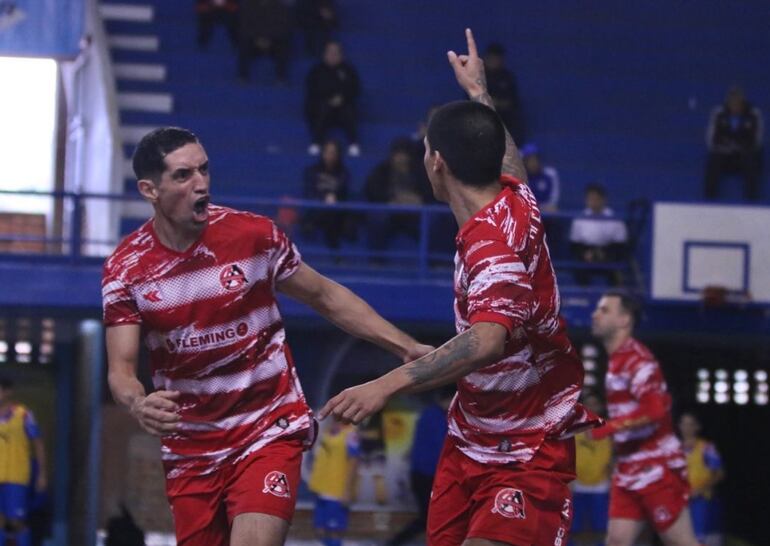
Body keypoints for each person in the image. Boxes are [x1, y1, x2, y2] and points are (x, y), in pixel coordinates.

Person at [320, 29, 599, 546]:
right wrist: (480, 95)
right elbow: (510, 161)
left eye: (427, 147)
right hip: (471, 439)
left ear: (436, 164)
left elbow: (488, 338)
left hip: (523, 450)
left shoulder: (490, 247)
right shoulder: (517, 203)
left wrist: (385, 384)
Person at [101, 127, 432, 546]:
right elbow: (121, 369)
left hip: (267, 428)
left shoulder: (254, 236)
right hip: (192, 447)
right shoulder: (126, 268)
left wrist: (406, 346)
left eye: (204, 169)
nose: (201, 183)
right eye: (183, 175)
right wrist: (138, 402)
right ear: (149, 189)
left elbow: (326, 296)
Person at [589, 290, 699, 546]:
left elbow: (655, 410)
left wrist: (609, 427)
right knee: (616, 542)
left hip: (656, 468)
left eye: (604, 310)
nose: (595, 315)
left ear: (624, 320)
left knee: (681, 542)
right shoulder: (617, 360)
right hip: (627, 468)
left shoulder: (638, 361)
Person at [386, 385, 453, 546]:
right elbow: (440, 447)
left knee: (432, 517)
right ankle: (394, 543)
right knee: (430, 517)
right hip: (428, 475)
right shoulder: (438, 417)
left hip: (422, 474)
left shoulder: (430, 414)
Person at [363, 138, 433, 255]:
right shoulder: (382, 170)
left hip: (415, 214)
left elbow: (430, 193)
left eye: (404, 155)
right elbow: (371, 190)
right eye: (398, 155)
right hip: (390, 213)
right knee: (377, 218)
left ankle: (433, 260)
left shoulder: (419, 171)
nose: (401, 158)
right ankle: (376, 259)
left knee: (434, 220)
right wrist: (390, 199)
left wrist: (418, 200)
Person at [0, 376, 47, 546]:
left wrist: (42, 474)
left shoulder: (24, 415)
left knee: (16, 522)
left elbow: (38, 444)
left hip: (17, 477)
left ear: (7, 392)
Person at [704, 86, 763, 201]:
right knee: (713, 160)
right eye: (732, 101)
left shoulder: (753, 114)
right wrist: (727, 146)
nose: (734, 105)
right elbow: (711, 140)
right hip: (725, 155)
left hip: (744, 155)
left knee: (752, 161)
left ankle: (752, 200)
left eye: (737, 101)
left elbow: (757, 140)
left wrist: (740, 146)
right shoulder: (719, 113)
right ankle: (709, 200)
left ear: (742, 102)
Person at [307, 420, 360, 546]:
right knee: (320, 529)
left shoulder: (350, 435)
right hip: (320, 487)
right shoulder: (327, 431)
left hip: (337, 490)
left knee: (335, 531)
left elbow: (353, 463)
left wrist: (347, 490)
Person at [304, 41, 361, 156]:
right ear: (324, 54)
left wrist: (341, 98)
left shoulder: (348, 70)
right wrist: (328, 99)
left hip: (343, 105)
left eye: (336, 53)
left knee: (348, 110)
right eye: (330, 52)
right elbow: (312, 90)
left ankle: (353, 144)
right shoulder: (316, 71)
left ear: (341, 55)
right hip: (321, 105)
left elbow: (355, 89)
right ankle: (317, 142)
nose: (333, 55)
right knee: (322, 108)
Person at [571, 390, 612, 546]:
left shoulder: (610, 428)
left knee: (601, 528)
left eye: (595, 404)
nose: (592, 407)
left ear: (601, 406)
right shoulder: (572, 427)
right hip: (577, 486)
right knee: (574, 529)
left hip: (601, 487)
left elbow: (615, 455)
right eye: (588, 404)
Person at [678, 411, 725, 545]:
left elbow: (719, 473)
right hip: (680, 502)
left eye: (690, 424)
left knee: (701, 539)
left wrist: (700, 489)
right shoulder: (675, 448)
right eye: (684, 424)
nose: (687, 428)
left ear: (697, 427)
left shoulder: (706, 448)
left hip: (702, 500)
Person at [569, 184, 628, 286]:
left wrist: (605, 254)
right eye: (590, 199)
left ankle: (614, 296)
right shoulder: (579, 219)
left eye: (596, 199)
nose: (593, 202)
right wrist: (585, 253)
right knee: (579, 268)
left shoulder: (615, 218)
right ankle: (583, 298)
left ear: (603, 200)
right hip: (587, 253)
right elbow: (574, 244)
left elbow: (621, 244)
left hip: (609, 253)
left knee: (615, 269)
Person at [302, 139, 351, 251]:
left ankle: (336, 254)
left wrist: (335, 197)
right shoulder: (312, 171)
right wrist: (323, 198)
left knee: (333, 218)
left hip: (336, 212)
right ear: (323, 153)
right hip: (316, 210)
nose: (330, 156)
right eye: (327, 152)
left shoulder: (343, 173)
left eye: (333, 153)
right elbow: (309, 191)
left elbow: (345, 193)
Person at [237, 0, 293, 84]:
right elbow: (244, 25)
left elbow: (284, 26)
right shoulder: (248, 6)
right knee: (244, 43)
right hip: (254, 41)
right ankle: (242, 77)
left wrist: (268, 38)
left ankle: (281, 78)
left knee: (284, 45)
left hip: (274, 41)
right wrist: (258, 38)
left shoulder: (281, 7)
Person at [483, 43, 525, 145]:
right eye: (492, 58)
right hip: (482, 122)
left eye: (497, 58)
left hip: (504, 123)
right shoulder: (479, 76)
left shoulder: (507, 77)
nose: (494, 61)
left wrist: (497, 103)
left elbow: (513, 102)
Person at [521, 143, 560, 212]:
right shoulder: (521, 177)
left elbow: (553, 202)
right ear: (524, 162)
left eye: (535, 159)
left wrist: (544, 207)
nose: (533, 163)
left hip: (547, 216)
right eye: (529, 160)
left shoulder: (550, 174)